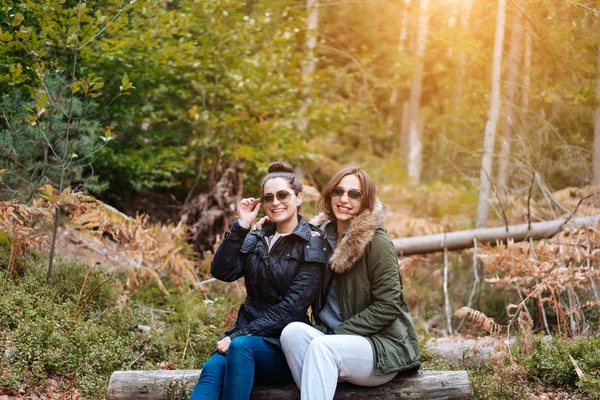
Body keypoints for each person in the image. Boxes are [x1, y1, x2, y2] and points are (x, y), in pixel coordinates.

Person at [189, 161, 330, 400]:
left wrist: (237, 336)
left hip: (283, 346)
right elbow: (223, 271)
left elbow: (291, 308)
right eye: (268, 198)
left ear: (298, 198)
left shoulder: (313, 242)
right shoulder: (258, 235)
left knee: (241, 347)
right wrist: (242, 225)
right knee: (212, 371)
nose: (275, 203)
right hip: (245, 335)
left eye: (283, 195)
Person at [280, 165, 421, 400]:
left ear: (366, 201)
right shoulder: (318, 237)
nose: (344, 199)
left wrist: (339, 334)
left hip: (379, 346)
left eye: (354, 194)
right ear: (330, 195)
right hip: (333, 342)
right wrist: (264, 231)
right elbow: (287, 255)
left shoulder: (377, 242)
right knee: (291, 333)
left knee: (322, 347)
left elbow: (388, 305)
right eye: (338, 192)